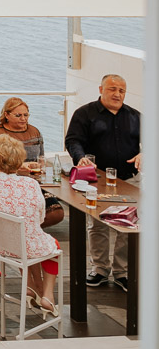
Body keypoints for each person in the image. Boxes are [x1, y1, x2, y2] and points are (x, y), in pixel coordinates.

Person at [65, 74, 142, 291]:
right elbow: (73, 141)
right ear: (101, 89)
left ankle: (122, 272)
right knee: (97, 225)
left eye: (122, 91)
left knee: (126, 225)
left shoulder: (136, 116)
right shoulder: (84, 114)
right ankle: (99, 269)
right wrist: (80, 158)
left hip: (130, 180)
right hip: (96, 180)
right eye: (112, 89)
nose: (117, 94)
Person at [0, 135, 62, 316]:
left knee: (24, 241)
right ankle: (48, 295)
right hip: (18, 244)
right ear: (20, 161)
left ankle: (30, 287)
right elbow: (41, 218)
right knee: (48, 245)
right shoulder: (30, 184)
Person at [0, 97, 63, 228]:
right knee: (23, 209)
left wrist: (38, 166)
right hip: (7, 182)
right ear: (7, 115)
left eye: (26, 115)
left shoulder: (34, 132)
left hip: (34, 182)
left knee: (56, 213)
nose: (23, 118)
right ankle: (20, 231)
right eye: (18, 115)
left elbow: (41, 158)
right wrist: (18, 168)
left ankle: (23, 230)